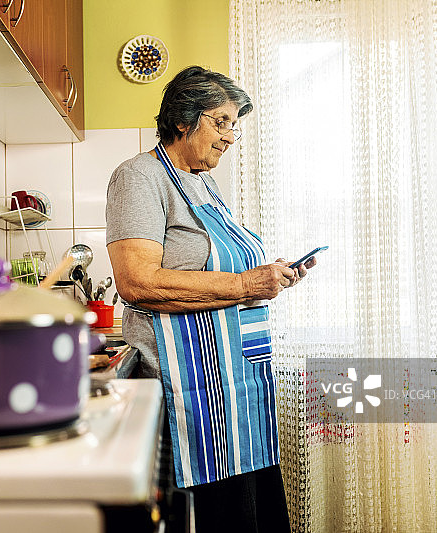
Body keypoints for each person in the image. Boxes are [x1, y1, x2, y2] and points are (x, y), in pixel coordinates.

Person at [106, 66, 315, 533]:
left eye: (234, 124)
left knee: (248, 510)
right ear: (184, 120)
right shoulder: (139, 177)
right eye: (221, 122)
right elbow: (137, 282)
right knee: (210, 514)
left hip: (235, 379)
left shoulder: (205, 183)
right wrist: (244, 286)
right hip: (186, 388)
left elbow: (212, 269)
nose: (230, 136)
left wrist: (269, 277)